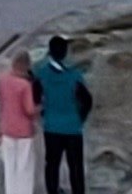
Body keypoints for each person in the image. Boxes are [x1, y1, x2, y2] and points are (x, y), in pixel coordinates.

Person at [36, 34, 93, 194]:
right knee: (75, 166)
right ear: (65, 52)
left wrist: (45, 114)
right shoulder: (74, 76)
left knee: (52, 164)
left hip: (52, 126)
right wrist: (79, 118)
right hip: (72, 127)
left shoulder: (42, 74)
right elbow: (87, 101)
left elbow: (35, 97)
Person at [0, 47, 40, 194]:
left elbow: (0, 101)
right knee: (24, 167)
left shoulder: (3, 80)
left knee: (9, 167)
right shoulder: (24, 85)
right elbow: (29, 109)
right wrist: (39, 109)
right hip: (23, 132)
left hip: (7, 130)